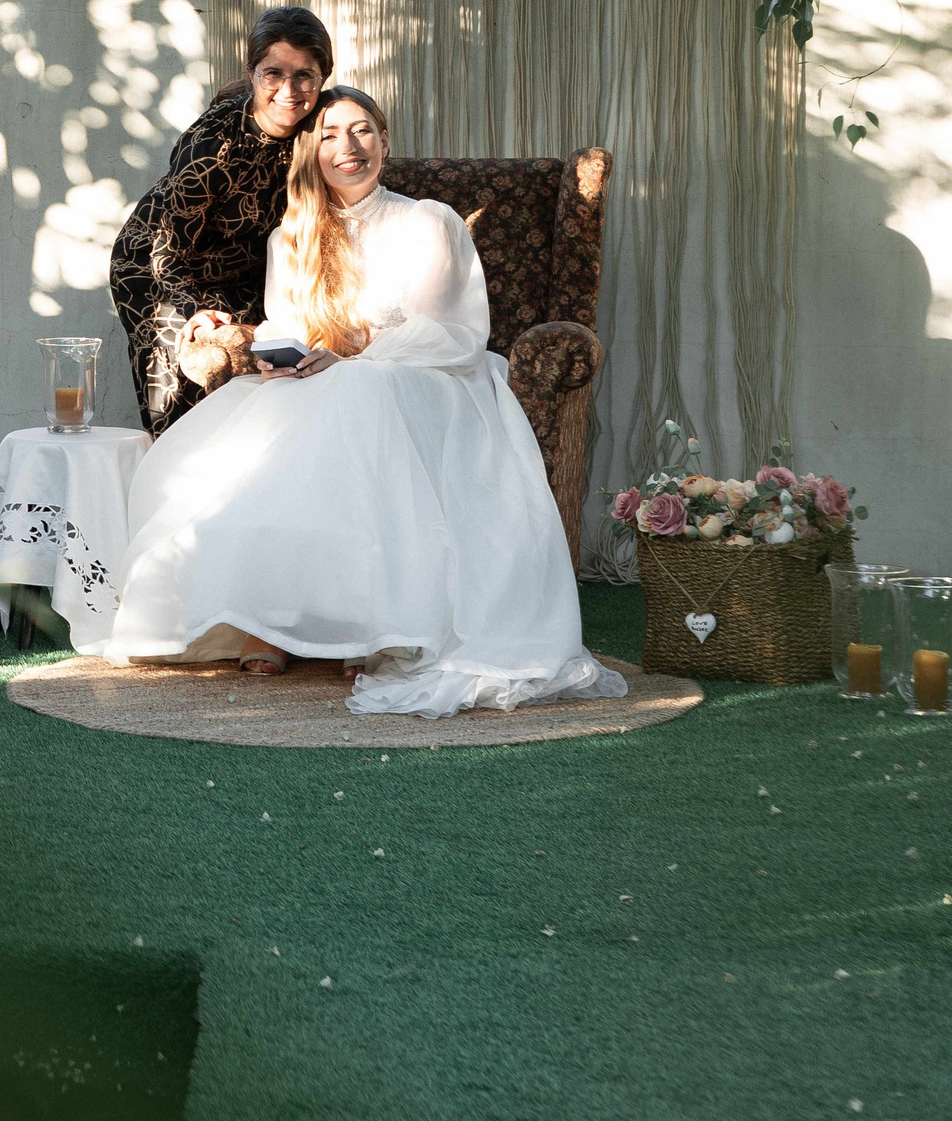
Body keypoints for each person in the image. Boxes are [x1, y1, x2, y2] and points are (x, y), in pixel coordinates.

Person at [94, 87, 626, 719]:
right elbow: (283, 325)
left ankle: (374, 622)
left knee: (363, 392)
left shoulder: (429, 220)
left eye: (362, 131)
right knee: (256, 418)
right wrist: (271, 352)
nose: (347, 148)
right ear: (309, 151)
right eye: (328, 135)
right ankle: (269, 613)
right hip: (327, 380)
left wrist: (348, 361)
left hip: (431, 377)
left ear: (385, 141)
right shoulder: (291, 235)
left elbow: (446, 329)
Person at [107, 6, 333, 437]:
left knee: (261, 387)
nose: (289, 90)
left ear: (322, 77)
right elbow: (165, 245)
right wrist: (192, 311)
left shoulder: (321, 128)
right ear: (252, 74)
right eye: (273, 74)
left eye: (304, 75)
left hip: (241, 273)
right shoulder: (214, 144)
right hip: (159, 267)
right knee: (179, 395)